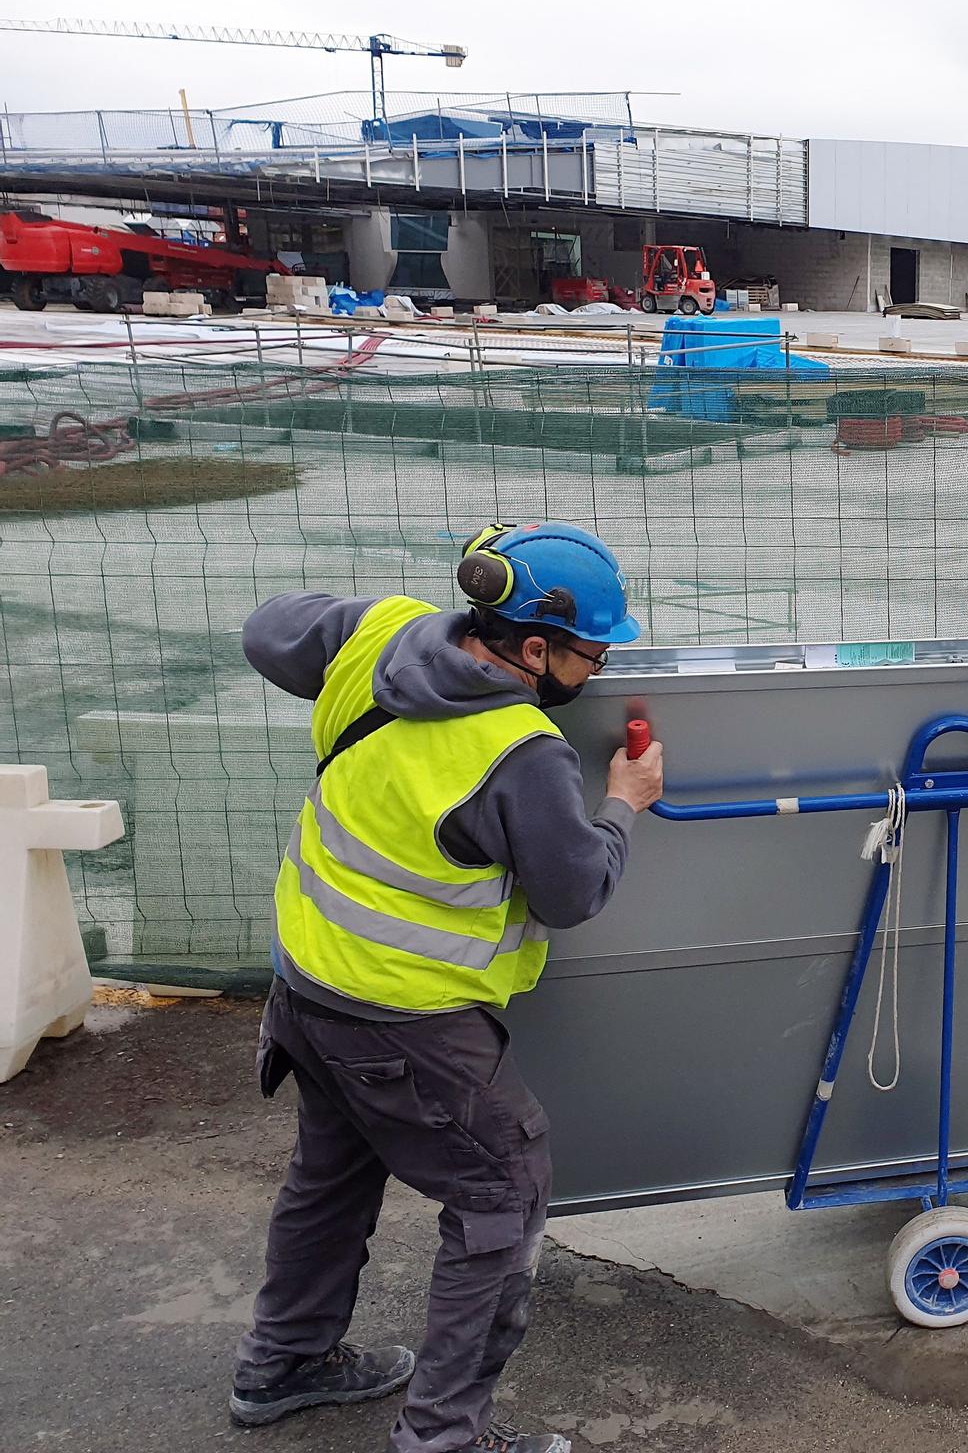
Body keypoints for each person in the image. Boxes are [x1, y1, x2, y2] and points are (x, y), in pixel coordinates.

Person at [229, 522, 664, 1453]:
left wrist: (377, 627)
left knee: (333, 1172)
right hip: (406, 1019)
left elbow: (267, 630)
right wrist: (625, 804)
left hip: (308, 984)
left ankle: (285, 1362)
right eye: (595, 650)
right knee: (505, 1193)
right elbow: (575, 888)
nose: (601, 665)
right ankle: (445, 1436)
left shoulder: (384, 633)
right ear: (535, 649)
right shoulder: (522, 752)